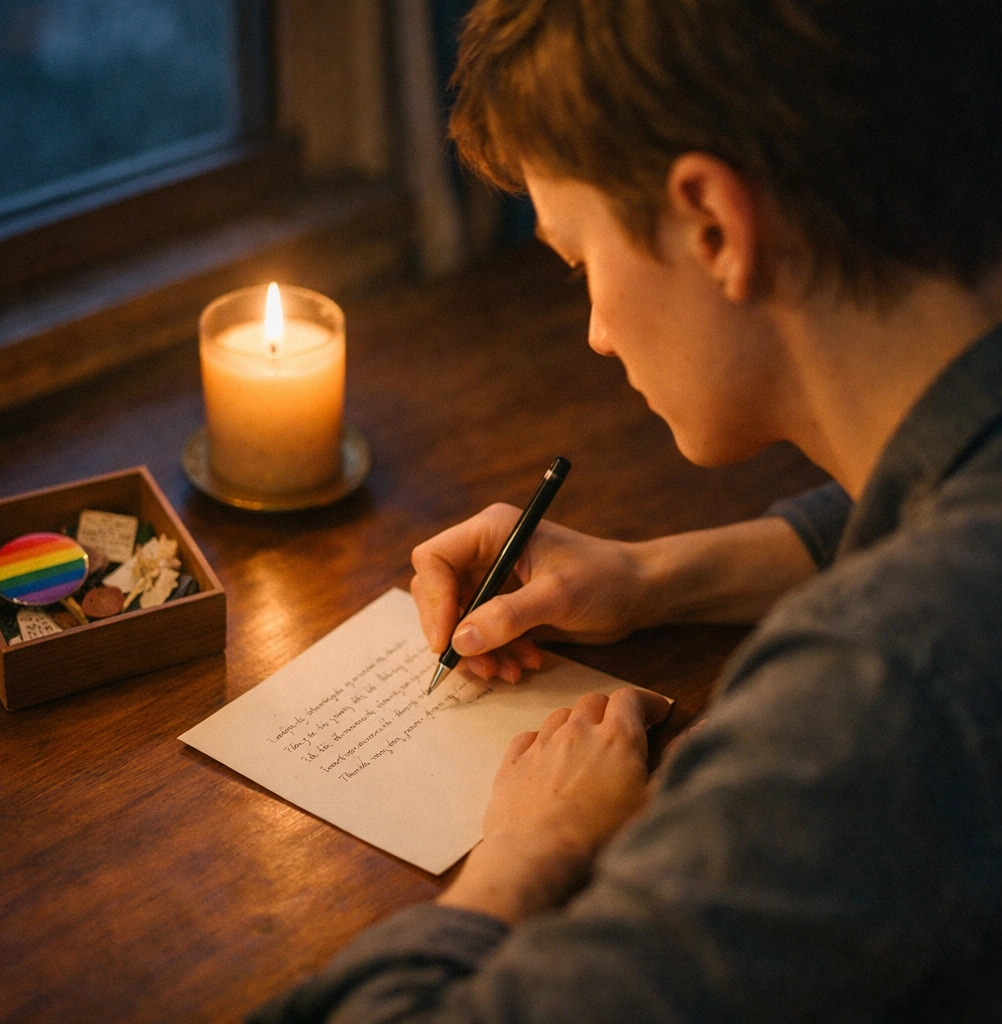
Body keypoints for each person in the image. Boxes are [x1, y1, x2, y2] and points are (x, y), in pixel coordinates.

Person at [251, 1, 1002, 1020]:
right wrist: (655, 576)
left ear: (712, 225)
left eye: (579, 262)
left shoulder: (872, 701)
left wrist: (526, 854)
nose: (596, 334)